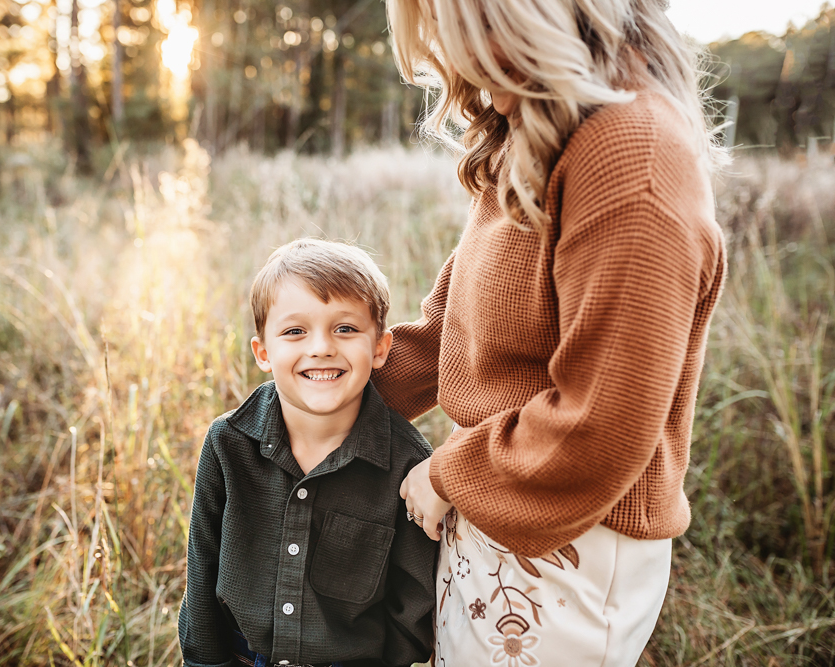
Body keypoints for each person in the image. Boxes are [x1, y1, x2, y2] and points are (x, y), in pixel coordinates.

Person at [372, 0, 728, 664]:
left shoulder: (630, 154)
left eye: (458, 27)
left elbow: (603, 422)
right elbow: (454, 332)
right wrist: (318, 393)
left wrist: (446, 473)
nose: (453, 57)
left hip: (571, 540)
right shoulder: (539, 128)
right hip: (497, 506)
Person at [178, 238, 437, 667]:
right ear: (264, 352)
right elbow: (202, 568)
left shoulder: (406, 463)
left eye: (346, 329)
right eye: (295, 331)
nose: (321, 347)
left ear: (380, 348)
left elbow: (413, 596)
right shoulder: (228, 442)